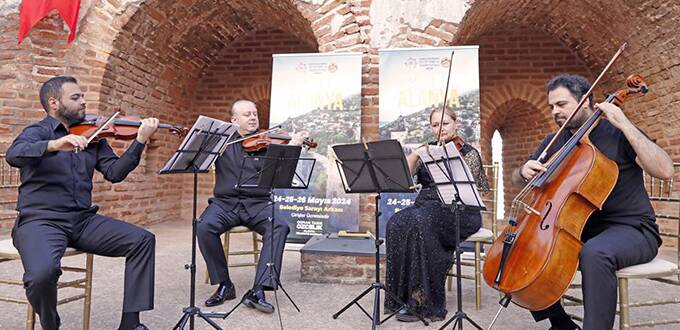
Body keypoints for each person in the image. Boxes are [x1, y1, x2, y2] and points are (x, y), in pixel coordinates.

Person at [512, 74, 674, 330]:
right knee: (524, 247)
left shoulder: (617, 133)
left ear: (586, 100)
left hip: (632, 229)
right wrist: (523, 171)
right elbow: (520, 180)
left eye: (562, 104)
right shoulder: (555, 142)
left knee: (595, 253)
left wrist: (625, 124)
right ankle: (561, 323)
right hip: (580, 228)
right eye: (552, 106)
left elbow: (665, 170)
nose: (555, 111)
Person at [6, 76, 159, 330]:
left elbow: (115, 173)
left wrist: (139, 142)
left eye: (83, 96)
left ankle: (131, 324)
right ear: (54, 103)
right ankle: (50, 323)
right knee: (42, 274)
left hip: (82, 220)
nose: (83, 102)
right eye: (75, 98)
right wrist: (56, 145)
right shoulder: (38, 132)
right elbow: (14, 155)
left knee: (142, 240)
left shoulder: (93, 136)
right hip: (40, 220)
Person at [197, 99, 304, 313]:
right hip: (225, 204)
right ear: (234, 120)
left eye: (255, 113)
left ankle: (258, 289)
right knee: (203, 226)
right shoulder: (222, 142)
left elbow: (282, 176)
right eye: (247, 114)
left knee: (280, 226)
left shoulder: (269, 143)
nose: (253, 117)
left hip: (258, 204)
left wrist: (292, 148)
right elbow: (199, 158)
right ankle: (225, 284)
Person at [384, 108, 489, 322]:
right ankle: (400, 296)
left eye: (445, 123)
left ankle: (421, 300)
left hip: (459, 210)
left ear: (455, 124)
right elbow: (404, 176)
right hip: (426, 206)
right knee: (396, 222)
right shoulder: (427, 151)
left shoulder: (468, 152)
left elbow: (469, 192)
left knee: (422, 223)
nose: (440, 128)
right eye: (434, 125)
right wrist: (416, 154)